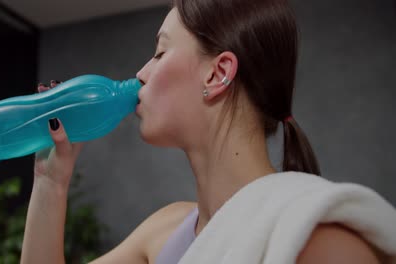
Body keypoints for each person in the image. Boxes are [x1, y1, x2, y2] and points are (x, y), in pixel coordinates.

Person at [20, 0, 396, 263]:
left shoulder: (320, 240)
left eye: (160, 53)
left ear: (217, 74)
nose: (141, 74)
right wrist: (51, 180)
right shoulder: (164, 231)